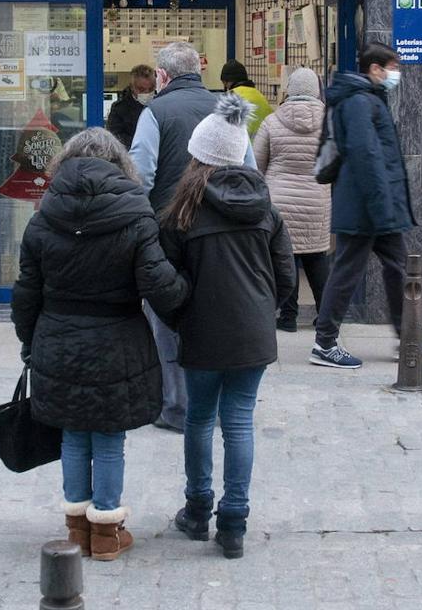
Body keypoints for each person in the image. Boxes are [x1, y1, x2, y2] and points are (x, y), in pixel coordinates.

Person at [11, 127, 189, 562]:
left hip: (59, 337)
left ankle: (76, 531)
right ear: (120, 165)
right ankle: (107, 532)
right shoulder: (136, 213)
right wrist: (186, 294)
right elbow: (159, 286)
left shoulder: (43, 214)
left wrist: (29, 338)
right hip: (118, 340)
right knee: (109, 435)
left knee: (73, 431)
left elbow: (26, 291)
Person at [160, 93, 295, 559]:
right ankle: (234, 522)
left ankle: (197, 511)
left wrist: (180, 319)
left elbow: (166, 283)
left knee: (200, 418)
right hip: (252, 333)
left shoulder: (181, 212)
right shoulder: (265, 208)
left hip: (201, 332)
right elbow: (286, 277)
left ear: (198, 156)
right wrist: (262, 311)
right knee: (239, 422)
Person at [130, 42, 256, 433]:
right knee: (216, 313)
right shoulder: (227, 110)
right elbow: (250, 169)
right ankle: (217, 403)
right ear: (199, 71)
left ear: (163, 76)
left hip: (170, 234)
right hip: (224, 233)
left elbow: (142, 176)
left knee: (167, 317)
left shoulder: (154, 112)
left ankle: (176, 406)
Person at [310, 42, 422, 369]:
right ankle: (324, 342)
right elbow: (366, 156)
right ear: (375, 69)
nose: (396, 73)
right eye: (392, 67)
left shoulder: (368, 99)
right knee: (347, 271)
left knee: (398, 267)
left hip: (373, 205)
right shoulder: (358, 102)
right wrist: (381, 206)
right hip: (365, 206)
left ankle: (406, 335)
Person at [253, 66, 332, 332]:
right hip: (317, 201)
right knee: (317, 259)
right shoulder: (330, 122)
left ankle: (288, 317)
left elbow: (256, 165)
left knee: (287, 258)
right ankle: (326, 316)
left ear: (289, 90)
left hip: (279, 202)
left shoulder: (272, 122)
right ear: (317, 91)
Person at [219, 59, 274, 138]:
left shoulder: (229, 98)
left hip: (241, 148)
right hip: (263, 147)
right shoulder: (260, 96)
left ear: (226, 81)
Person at [106, 64, 156, 148]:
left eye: (151, 89)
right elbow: (114, 137)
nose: (147, 93)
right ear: (132, 87)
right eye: (141, 89)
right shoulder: (119, 109)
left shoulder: (161, 103)